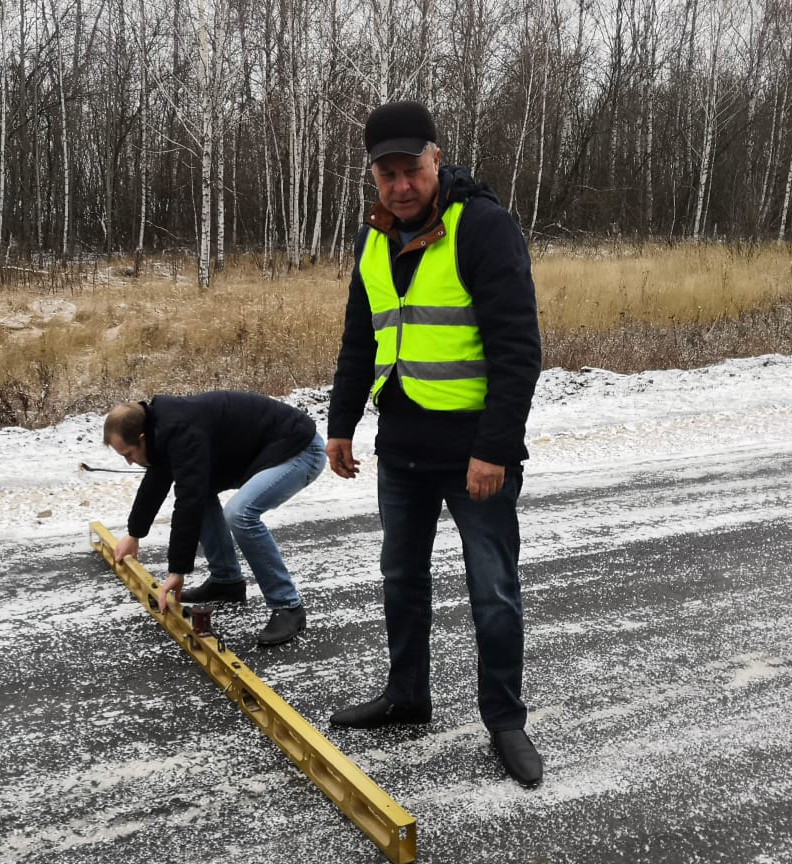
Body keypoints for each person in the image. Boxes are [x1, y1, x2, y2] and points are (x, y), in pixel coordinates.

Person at [325, 101, 544, 787]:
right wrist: (340, 422)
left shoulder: (482, 227)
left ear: (437, 158)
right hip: (403, 448)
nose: (400, 185)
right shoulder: (375, 238)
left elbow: (519, 350)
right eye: (386, 173)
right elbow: (361, 339)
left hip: (475, 453)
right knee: (401, 581)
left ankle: (505, 720)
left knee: (493, 592)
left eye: (411, 169)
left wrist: (495, 450)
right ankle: (407, 695)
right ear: (374, 177)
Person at [103, 390, 326, 646]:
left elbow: (187, 501)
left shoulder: (180, 429)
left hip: (299, 451)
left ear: (142, 438)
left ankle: (288, 606)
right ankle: (226, 582)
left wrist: (178, 571)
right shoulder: (161, 429)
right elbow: (158, 480)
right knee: (203, 491)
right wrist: (134, 533)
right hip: (269, 450)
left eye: (128, 454)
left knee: (240, 514)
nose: (129, 462)